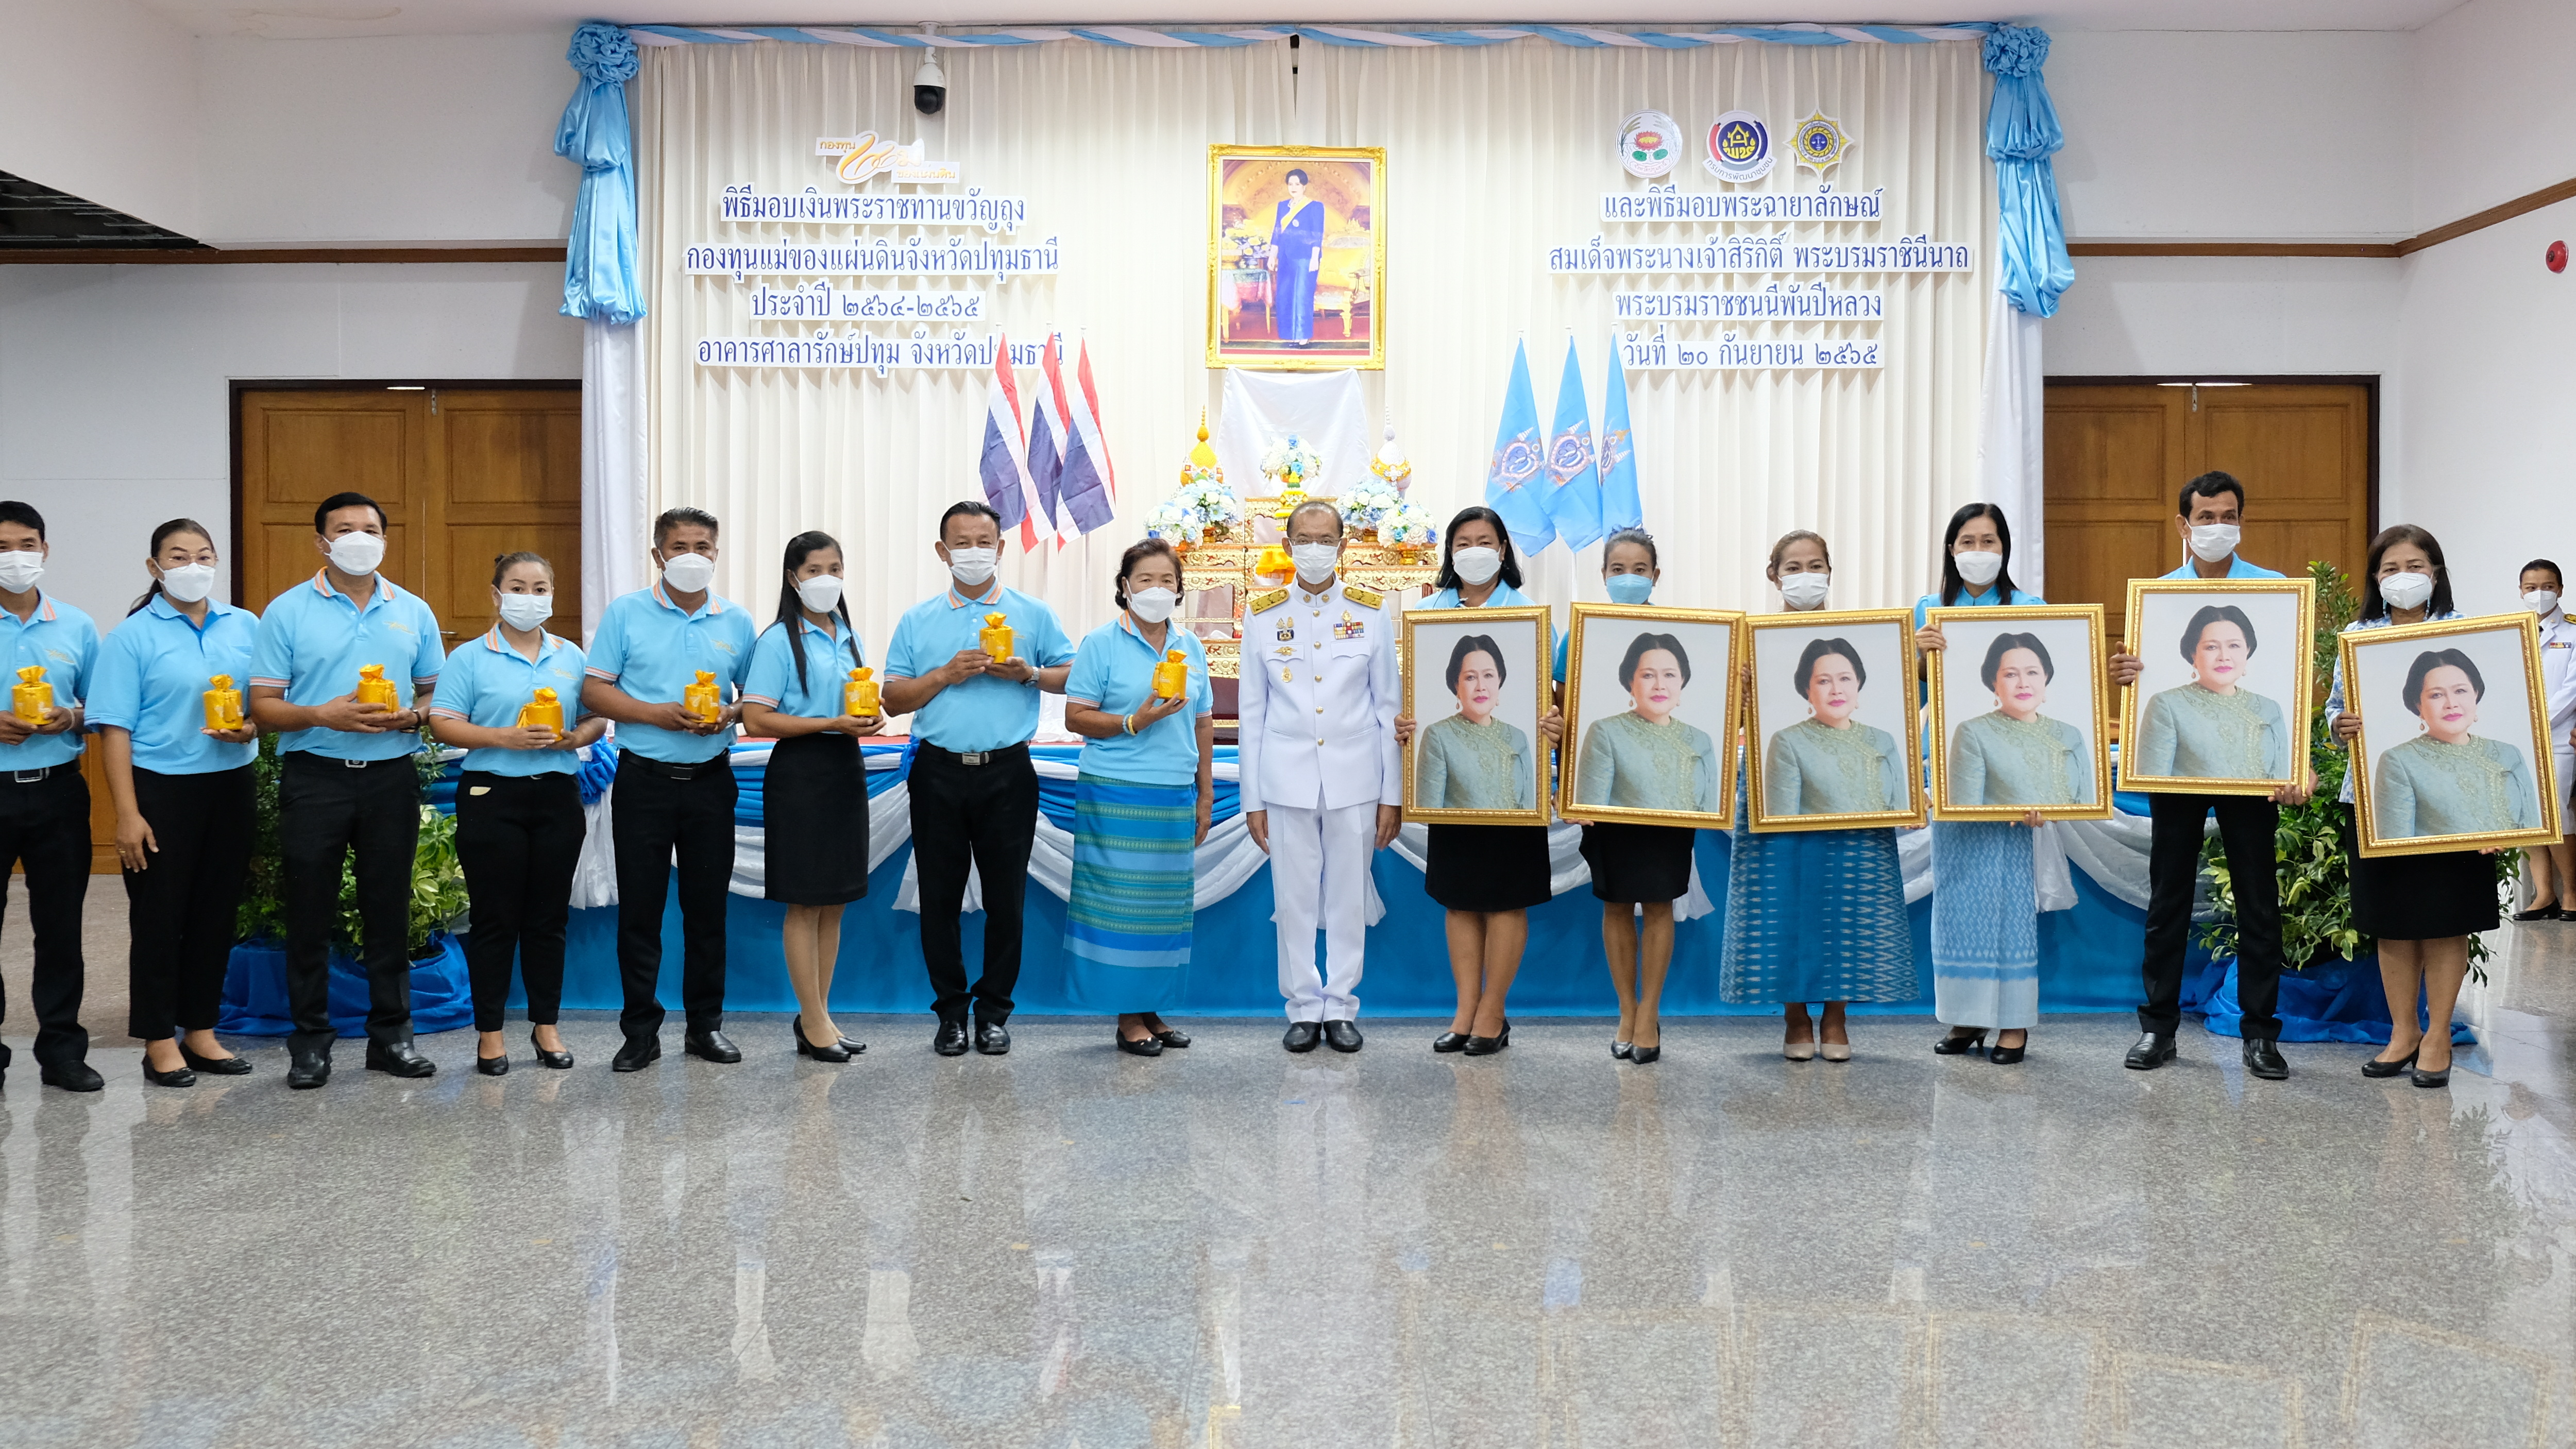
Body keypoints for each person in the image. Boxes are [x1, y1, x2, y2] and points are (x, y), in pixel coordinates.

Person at [2108, 471, 2310, 1080]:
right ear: (2183, 524)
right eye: (2204, 517)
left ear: (2241, 521)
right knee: (2167, 898)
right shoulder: (2156, 598)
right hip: (2178, 783)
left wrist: (2294, 766)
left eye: (2227, 516)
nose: (2216, 526)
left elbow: (2291, 690)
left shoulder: (2274, 592)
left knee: (2258, 902)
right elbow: (2142, 698)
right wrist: (2128, 675)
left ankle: (2259, 1033)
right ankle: (2157, 1027)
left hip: (2251, 783)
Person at [246, 492, 445, 1088]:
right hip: (316, 776)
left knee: (389, 909)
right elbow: (263, 706)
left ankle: (392, 1037)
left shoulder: (413, 610)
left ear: (385, 539)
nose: (359, 538)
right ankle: (310, 1043)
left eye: (370, 529)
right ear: (322, 542)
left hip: (390, 776)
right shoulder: (286, 611)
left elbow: (437, 693)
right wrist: (320, 714)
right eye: (344, 529)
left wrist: (414, 717)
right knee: (310, 911)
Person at [882, 501, 1076, 1056]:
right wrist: (944, 674)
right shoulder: (918, 619)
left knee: (1006, 899)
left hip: (1008, 772)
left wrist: (1029, 673)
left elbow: (1071, 675)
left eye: (983, 541)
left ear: (1000, 548)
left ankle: (993, 1013)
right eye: (961, 542)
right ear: (942, 552)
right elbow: (892, 698)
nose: (973, 551)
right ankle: (950, 1013)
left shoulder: (1032, 613)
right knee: (939, 898)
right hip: (938, 771)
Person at [1720, 530, 1916, 1062]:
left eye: (1815, 565)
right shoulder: (1746, 641)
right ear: (1773, 575)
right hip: (1772, 799)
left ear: (1830, 571)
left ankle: (1835, 1017)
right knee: (1782, 905)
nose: (1804, 575)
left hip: (1855, 814)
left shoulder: (1868, 637)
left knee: (1849, 908)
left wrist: (1917, 659)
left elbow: (1904, 707)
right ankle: (1793, 1017)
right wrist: (1739, 693)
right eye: (1793, 567)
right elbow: (1724, 724)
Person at [89, 518, 262, 1087]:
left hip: (231, 784)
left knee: (217, 913)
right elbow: (114, 728)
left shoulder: (245, 625)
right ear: (155, 567)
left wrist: (251, 726)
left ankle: (202, 1031)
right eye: (179, 556)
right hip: (161, 789)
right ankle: (159, 1039)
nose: (194, 566)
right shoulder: (132, 636)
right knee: (160, 919)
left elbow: (263, 702)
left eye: (204, 555)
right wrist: (128, 813)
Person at [583, 507, 756, 1073]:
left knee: (707, 912)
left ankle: (705, 1027)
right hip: (644, 781)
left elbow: (756, 699)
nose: (692, 556)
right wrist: (654, 714)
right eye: (680, 546)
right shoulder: (626, 612)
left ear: (716, 554)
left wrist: (730, 713)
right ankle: (640, 1032)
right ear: (658, 554)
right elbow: (594, 692)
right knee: (641, 912)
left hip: (711, 782)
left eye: (703, 546)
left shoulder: (736, 621)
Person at [1394, 507, 1563, 1055]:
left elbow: (1553, 698)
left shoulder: (1531, 615)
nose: (1474, 550)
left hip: (1516, 797)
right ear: (1449, 551)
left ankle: (1493, 1011)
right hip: (1454, 796)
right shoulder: (1426, 614)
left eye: (1484, 541)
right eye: (1463, 541)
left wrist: (1553, 721)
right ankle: (1464, 1009)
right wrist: (1405, 722)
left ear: (1503, 549)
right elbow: (1410, 692)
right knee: (1460, 900)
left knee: (1506, 901)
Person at [2324, 525, 2488, 1088]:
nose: (2402, 577)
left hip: (2455, 802)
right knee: (2390, 919)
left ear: (2435, 572)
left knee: (2446, 917)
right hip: (2377, 797)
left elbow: (2497, 712)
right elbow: (2334, 708)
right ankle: (2403, 1032)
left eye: (2414, 565)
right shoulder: (2357, 636)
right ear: (2375, 578)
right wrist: (2339, 725)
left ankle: (2437, 1034)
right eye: (2390, 568)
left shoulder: (2468, 631)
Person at [427, 552, 603, 1076]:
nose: (530, 597)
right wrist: (502, 737)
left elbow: (596, 718)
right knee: (495, 918)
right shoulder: (470, 657)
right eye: (518, 587)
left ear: (552, 594)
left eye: (540, 587)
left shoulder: (571, 655)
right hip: (491, 795)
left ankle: (546, 1026)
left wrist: (576, 736)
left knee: (548, 918)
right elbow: (443, 722)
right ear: (497, 594)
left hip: (556, 795)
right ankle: (490, 1033)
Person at [1239, 499, 1400, 1054]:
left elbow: (1387, 707)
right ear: (1287, 546)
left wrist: (1392, 794)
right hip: (1285, 779)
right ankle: (1304, 1006)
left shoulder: (1371, 611)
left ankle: (1342, 1005)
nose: (1314, 548)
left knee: (1348, 897)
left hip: (1355, 778)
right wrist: (1252, 798)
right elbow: (1253, 713)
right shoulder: (1262, 614)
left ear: (1342, 545)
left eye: (1325, 539)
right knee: (1294, 897)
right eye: (1304, 539)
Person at [1060, 539, 1215, 1055]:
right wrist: (1134, 721)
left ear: (1179, 588)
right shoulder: (1100, 643)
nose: (1156, 588)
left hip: (1173, 791)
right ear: (1125, 586)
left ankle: (1151, 1008)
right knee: (1119, 907)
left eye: (1167, 580)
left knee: (1162, 910)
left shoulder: (1190, 646)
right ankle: (1127, 1015)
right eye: (1145, 579)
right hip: (1115, 790)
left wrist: (1205, 792)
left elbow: (1202, 722)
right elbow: (1076, 716)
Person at [1913, 502, 2049, 1065]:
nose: (1978, 550)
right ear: (1951, 549)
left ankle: (2012, 1022)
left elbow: (2054, 690)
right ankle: (1966, 1016)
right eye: (1967, 541)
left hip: (2014, 773)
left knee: (2010, 894)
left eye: (1988, 540)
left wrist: (2044, 786)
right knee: (1956, 895)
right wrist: (1916, 655)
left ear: (2004, 548)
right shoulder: (1928, 609)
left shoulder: (2031, 608)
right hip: (1951, 769)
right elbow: (1911, 691)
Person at [1560, 529, 1703, 1064]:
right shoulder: (1578, 634)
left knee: (1660, 901)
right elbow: (1563, 710)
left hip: (1669, 806)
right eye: (1617, 568)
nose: (1628, 577)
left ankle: (1649, 1014)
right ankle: (1626, 1009)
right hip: (1605, 803)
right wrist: (1574, 788)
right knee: (1617, 902)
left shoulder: (1685, 632)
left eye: (1639, 568)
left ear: (1655, 575)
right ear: (1603, 575)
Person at [739, 531, 882, 1064]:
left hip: (845, 766)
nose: (827, 579)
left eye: (835, 568)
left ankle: (819, 1015)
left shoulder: (847, 633)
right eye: (814, 570)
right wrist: (831, 722)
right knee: (804, 901)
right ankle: (812, 1020)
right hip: (800, 772)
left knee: (834, 901)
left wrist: (866, 717)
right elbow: (757, 718)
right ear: (793, 578)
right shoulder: (778, 640)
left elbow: (852, 703)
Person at [0, 502, 101, 1093]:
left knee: (60, 927)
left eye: (27, 544)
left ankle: (62, 1049)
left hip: (58, 790)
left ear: (45, 550)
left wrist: (70, 716)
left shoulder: (77, 625)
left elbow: (102, 707)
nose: (16, 557)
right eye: (3, 546)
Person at [2129, 605, 2292, 781]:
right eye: (2211, 647)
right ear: (2193, 654)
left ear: (2248, 651)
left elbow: (2282, 781)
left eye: (2234, 646)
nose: (2224, 656)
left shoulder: (2270, 709)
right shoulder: (2167, 705)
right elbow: (2151, 785)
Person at [1764, 639, 1905, 815]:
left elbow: (1903, 811)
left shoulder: (1884, 740)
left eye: (1845, 679)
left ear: (1858, 683)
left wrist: (1917, 811)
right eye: (1824, 681)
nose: (1836, 690)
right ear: (1807, 690)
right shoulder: (1788, 742)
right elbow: (1782, 823)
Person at [1948, 636, 2093, 808]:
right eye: (2011, 675)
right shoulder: (1973, 733)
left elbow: (2089, 809)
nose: (2023, 684)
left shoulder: (2071, 734)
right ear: (1994, 683)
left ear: (2046, 677)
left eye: (2032, 673)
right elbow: (1964, 814)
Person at [2512, 558, 2575, 918]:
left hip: (2557, 737)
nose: (2539, 593)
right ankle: (2544, 895)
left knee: (2559, 815)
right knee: (2527, 815)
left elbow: (2571, 691)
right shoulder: (2511, 631)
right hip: (2518, 738)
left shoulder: (2573, 632)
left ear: (2560, 590)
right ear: (2521, 591)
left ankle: (2572, 895)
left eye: (2547, 587)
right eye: (2531, 588)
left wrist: (2536, 722)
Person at [1417, 635, 1536, 810]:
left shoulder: (1518, 738)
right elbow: (1428, 812)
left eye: (1488, 675)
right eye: (1471, 677)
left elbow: (1530, 810)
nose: (1481, 686)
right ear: (1456, 685)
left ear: (1499, 680)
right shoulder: (1438, 736)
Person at [1267, 167, 1327, 347]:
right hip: (1285, 256)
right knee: (1285, 295)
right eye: (1290, 184)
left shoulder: (1315, 207)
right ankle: (1291, 334)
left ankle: (1303, 335)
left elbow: (1317, 233)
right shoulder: (1282, 206)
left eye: (1297, 184)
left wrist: (1315, 258)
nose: (1293, 188)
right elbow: (1277, 232)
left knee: (1302, 296)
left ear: (1304, 186)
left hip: (1305, 258)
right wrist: (1272, 256)